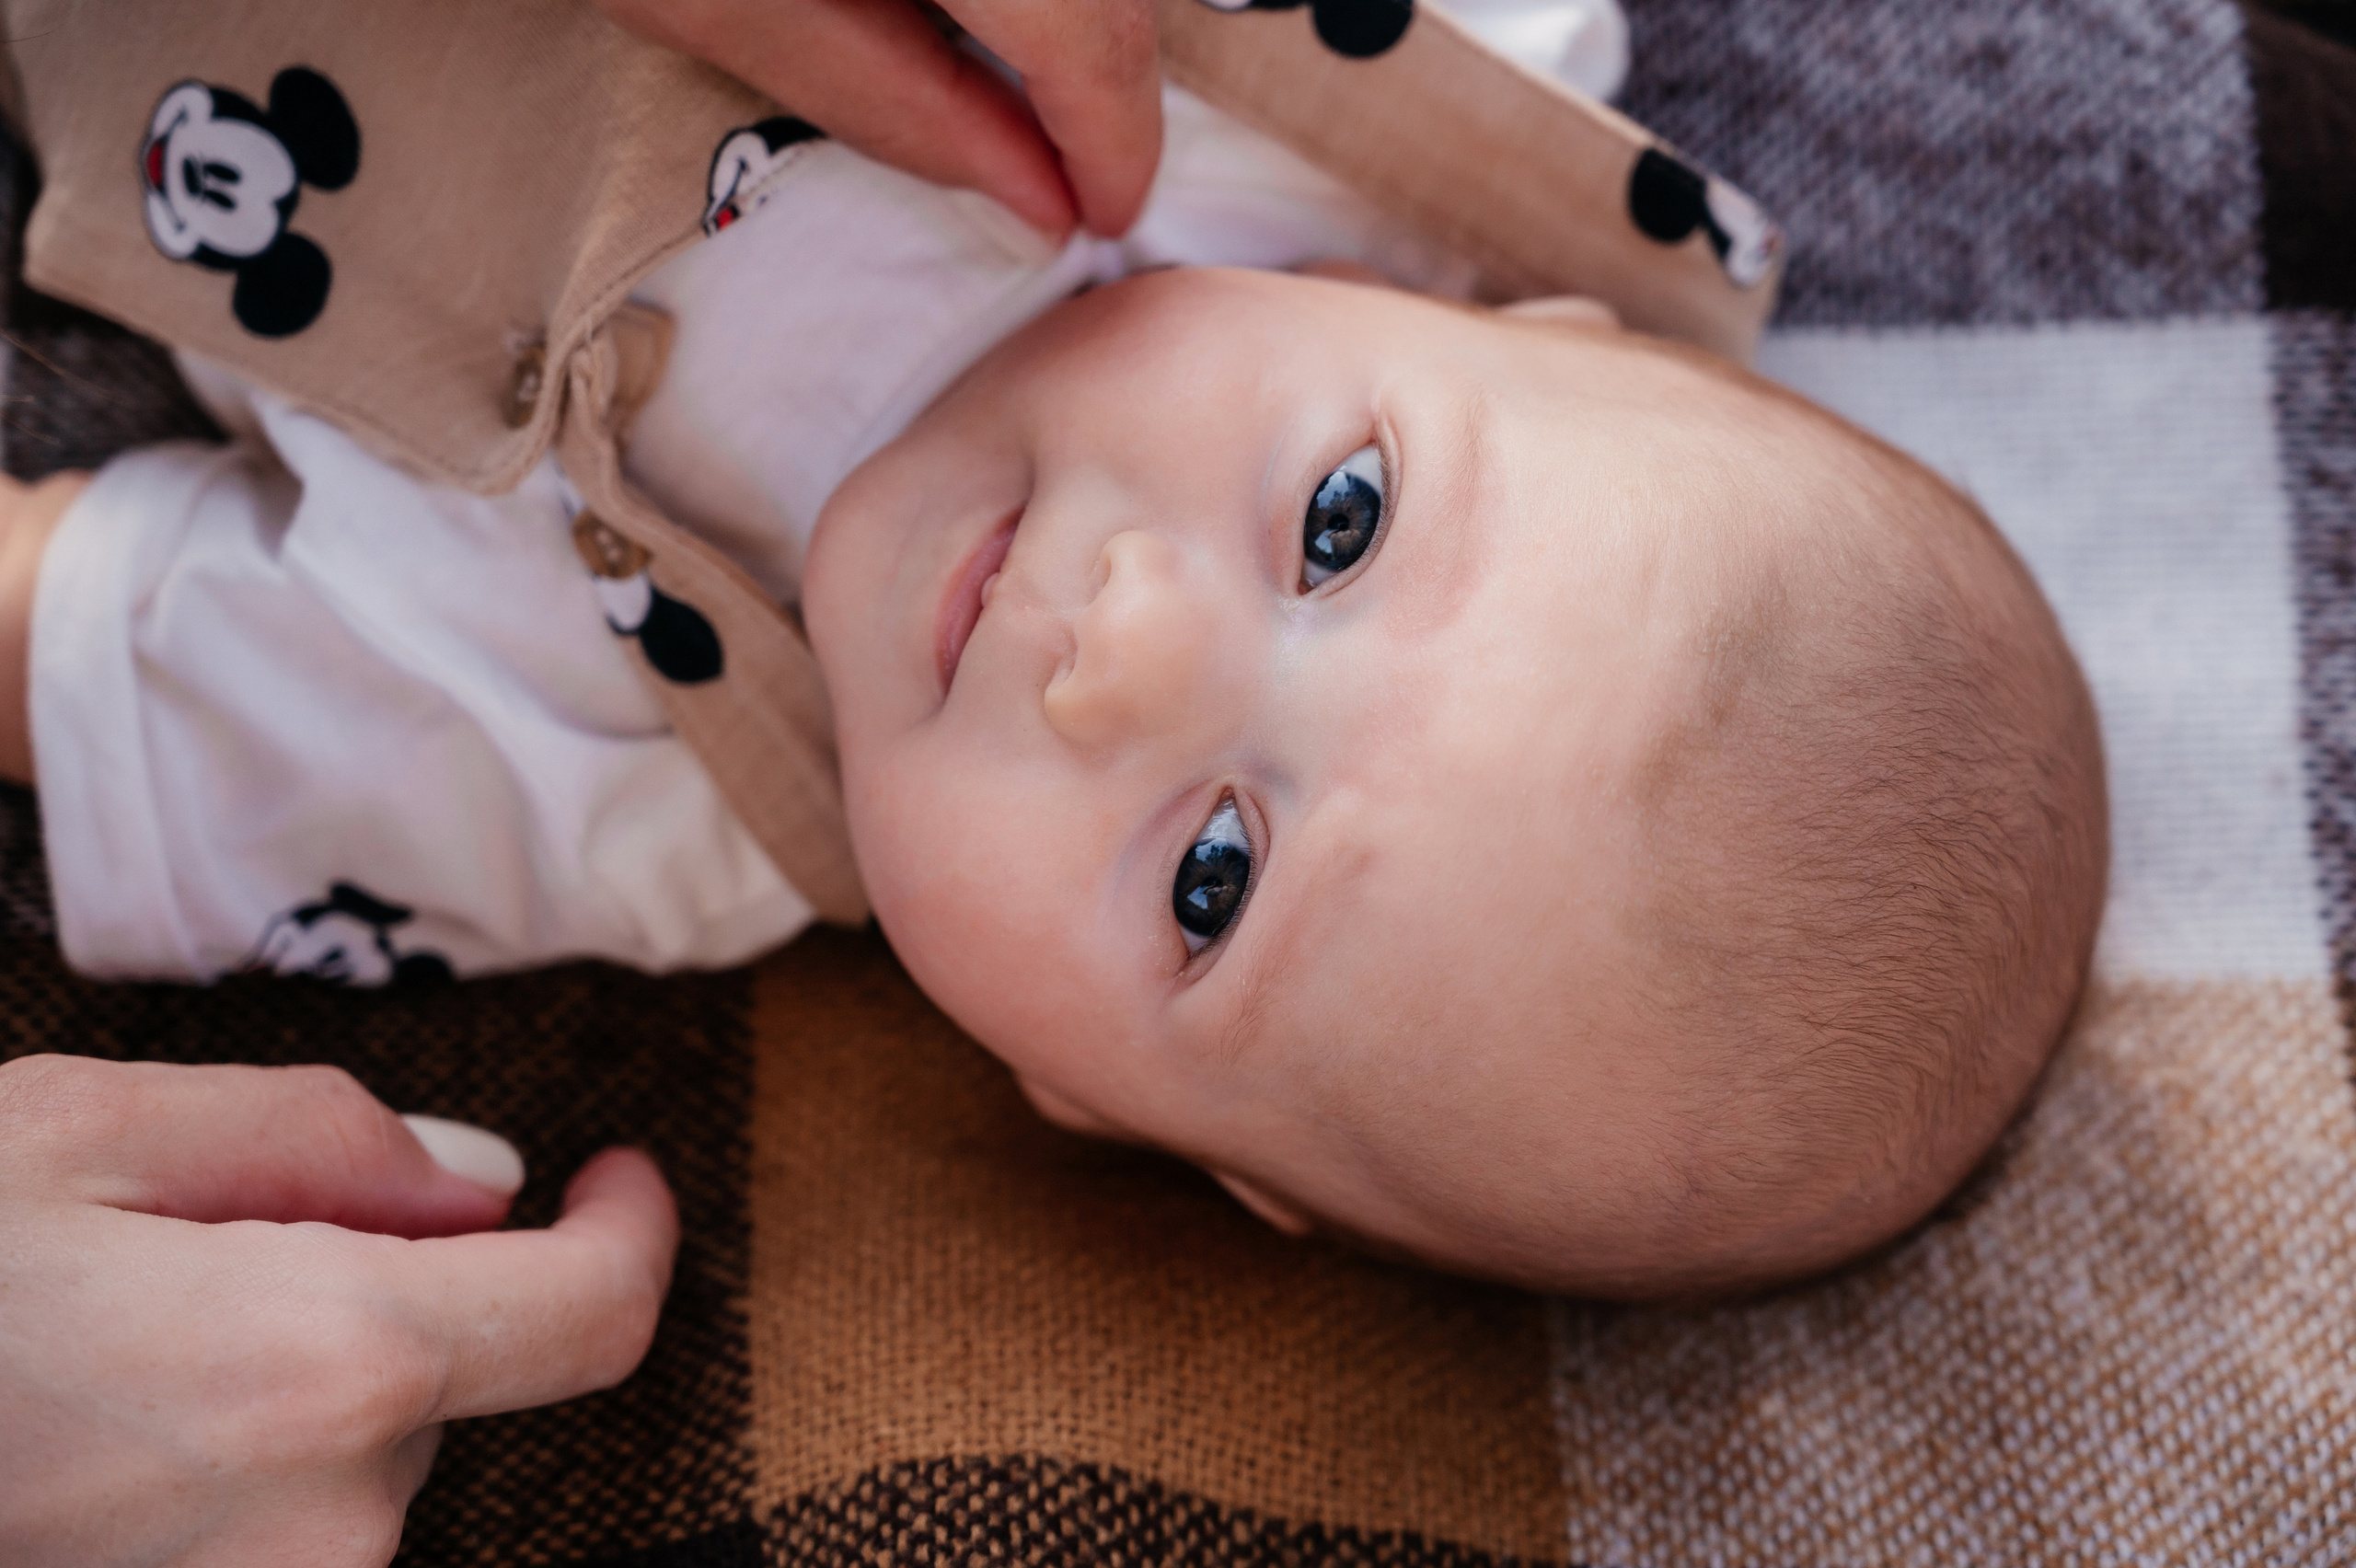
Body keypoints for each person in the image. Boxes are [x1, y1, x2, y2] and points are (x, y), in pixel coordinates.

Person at [0, 0, 2108, 1559]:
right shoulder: (1383, 87)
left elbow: (66, 641)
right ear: (1520, 313)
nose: (1124, 648)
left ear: (1078, 1095)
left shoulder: (618, 795)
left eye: (1212, 878)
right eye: (1343, 520)